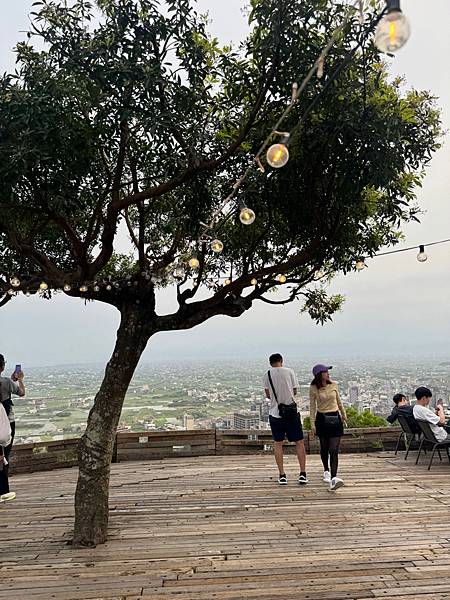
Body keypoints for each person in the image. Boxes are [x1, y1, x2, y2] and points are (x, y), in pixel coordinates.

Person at [263, 353, 307, 486]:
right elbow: (294, 391)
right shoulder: (289, 372)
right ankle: (302, 473)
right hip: (292, 413)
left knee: (278, 443)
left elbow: (267, 394)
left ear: (270, 363)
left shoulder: (267, 374)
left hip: (276, 413)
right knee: (299, 442)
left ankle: (282, 475)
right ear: (281, 361)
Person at [309, 364, 347, 491]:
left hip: (335, 418)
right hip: (322, 419)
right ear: (319, 375)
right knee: (324, 447)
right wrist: (312, 423)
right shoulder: (314, 388)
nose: (328, 374)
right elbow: (312, 406)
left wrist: (344, 414)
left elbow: (339, 401)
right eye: (325, 372)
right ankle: (326, 470)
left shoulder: (334, 385)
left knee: (333, 449)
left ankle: (334, 478)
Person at [0, 354, 25, 502]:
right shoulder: (6, 382)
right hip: (6, 422)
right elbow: (21, 393)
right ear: (2, 366)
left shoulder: (7, 381)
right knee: (4, 456)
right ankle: (4, 490)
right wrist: (20, 380)